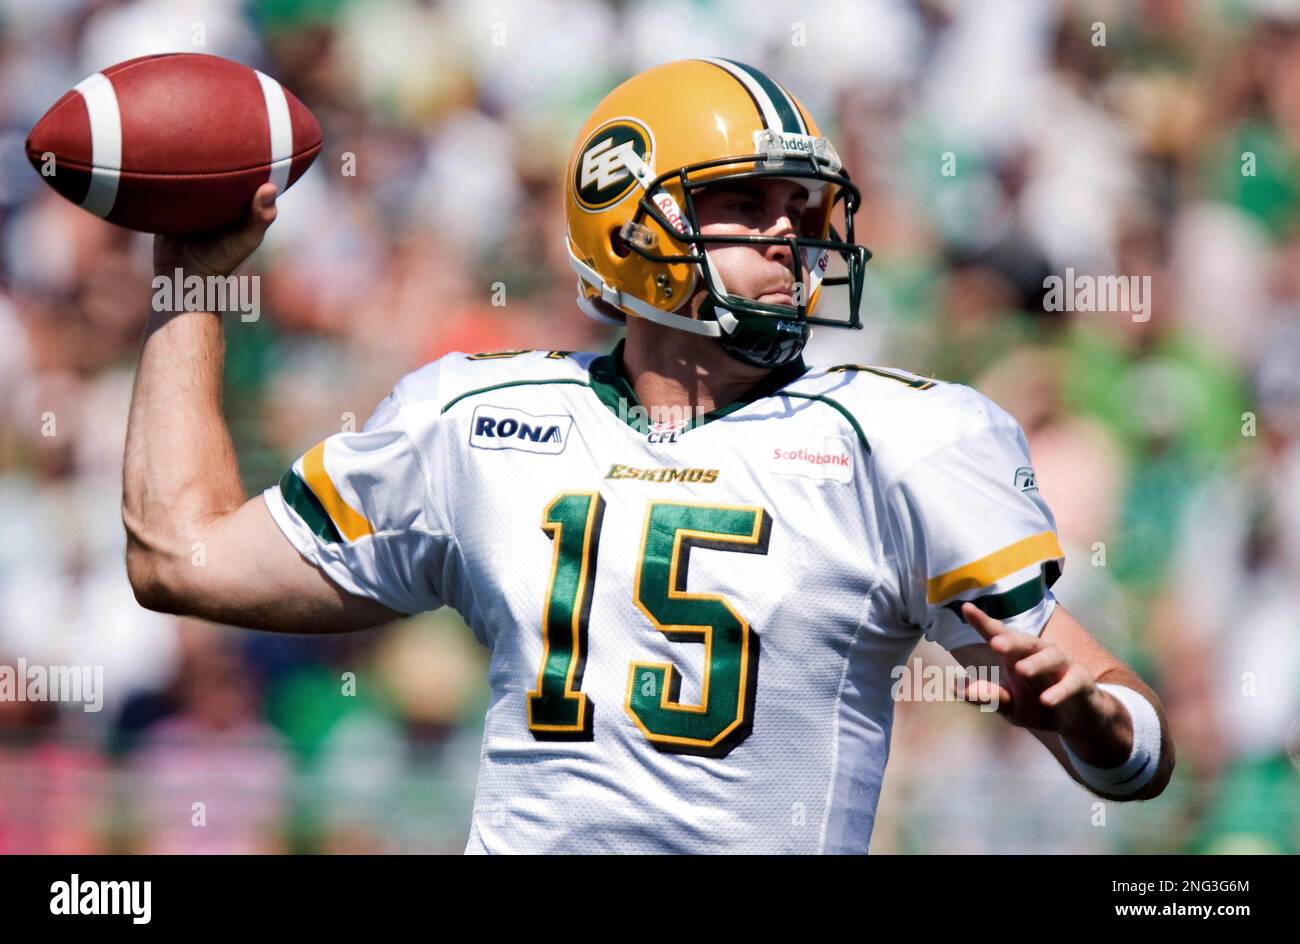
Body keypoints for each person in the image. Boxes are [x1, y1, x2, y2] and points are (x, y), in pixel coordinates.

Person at [122, 58, 1173, 853]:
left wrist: (1092, 718)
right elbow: (182, 555)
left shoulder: (901, 440)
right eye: (745, 204)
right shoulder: (476, 418)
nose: (787, 238)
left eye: (800, 209)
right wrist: (190, 279)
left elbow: (1140, 754)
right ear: (630, 221)